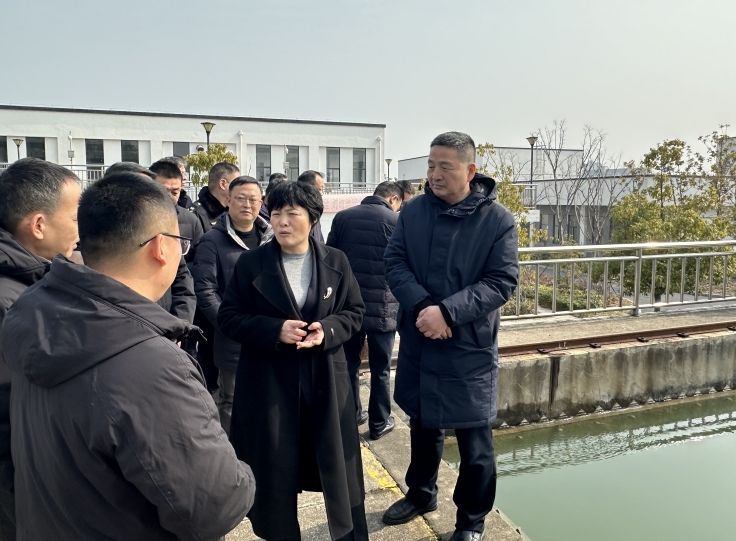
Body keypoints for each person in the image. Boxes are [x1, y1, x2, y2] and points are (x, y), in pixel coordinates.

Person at [0, 173, 255, 541]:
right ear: (160, 247)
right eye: (181, 244)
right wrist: (243, 468)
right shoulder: (149, 364)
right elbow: (215, 506)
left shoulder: (35, 311)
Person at [382, 132, 519, 541]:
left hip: (468, 345)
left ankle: (471, 521)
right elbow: (395, 261)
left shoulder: (497, 220)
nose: (435, 175)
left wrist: (447, 312)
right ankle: (421, 494)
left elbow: (501, 281)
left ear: (470, 171)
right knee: (423, 426)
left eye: (446, 167)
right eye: (430, 165)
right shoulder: (413, 211)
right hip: (422, 336)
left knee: (476, 441)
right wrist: (425, 307)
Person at [217, 181, 367, 541]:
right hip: (269, 385)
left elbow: (355, 312)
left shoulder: (335, 260)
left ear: (312, 219)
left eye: (292, 213)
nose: (282, 222)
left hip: (325, 382)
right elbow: (229, 317)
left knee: (339, 473)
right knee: (275, 473)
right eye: (276, 213)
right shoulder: (252, 263)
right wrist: (274, 330)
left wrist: (327, 330)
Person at [0, 158, 81, 541]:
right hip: (29, 513)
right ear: (39, 225)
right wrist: (23, 520)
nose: (80, 229)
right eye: (75, 217)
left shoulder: (30, 278)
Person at [190, 175, 274, 435]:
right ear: (228, 200)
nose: (247, 205)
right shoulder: (212, 241)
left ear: (261, 203)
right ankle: (232, 453)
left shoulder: (271, 238)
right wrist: (231, 324)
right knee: (232, 400)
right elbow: (205, 291)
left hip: (269, 334)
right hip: (233, 336)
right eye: (240, 198)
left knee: (268, 398)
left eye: (253, 200)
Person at [327, 181, 403, 440]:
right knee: (381, 368)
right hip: (384, 307)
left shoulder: (342, 217)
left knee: (349, 364)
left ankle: (351, 416)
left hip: (349, 307)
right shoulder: (396, 221)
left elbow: (330, 259)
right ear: (393, 199)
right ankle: (379, 422)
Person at [103, 163, 196, 326]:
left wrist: (178, 326)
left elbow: (183, 282)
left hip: (165, 326)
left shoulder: (162, 228)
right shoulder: (92, 234)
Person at [191, 162, 239, 390]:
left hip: (230, 307)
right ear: (223, 184)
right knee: (208, 369)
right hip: (208, 310)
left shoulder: (232, 214)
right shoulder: (197, 215)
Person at [150, 159, 203, 262]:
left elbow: (199, 260)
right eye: (163, 191)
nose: (169, 197)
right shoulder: (135, 217)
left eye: (175, 192)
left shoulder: (191, 221)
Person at [191, 162, 240, 232]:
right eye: (236, 184)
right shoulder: (195, 215)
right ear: (223, 184)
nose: (240, 188)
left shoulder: (234, 211)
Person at [297, 170, 325, 243]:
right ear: (308, 187)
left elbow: (320, 239)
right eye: (319, 189)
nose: (321, 193)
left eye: (322, 189)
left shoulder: (315, 209)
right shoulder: (296, 210)